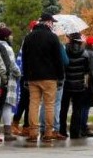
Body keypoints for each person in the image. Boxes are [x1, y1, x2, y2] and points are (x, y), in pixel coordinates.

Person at [21, 12, 66, 143]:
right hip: (50, 77)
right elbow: (58, 60)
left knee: (33, 104)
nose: (52, 25)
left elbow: (25, 59)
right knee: (49, 105)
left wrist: (25, 76)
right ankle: (48, 132)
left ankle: (33, 132)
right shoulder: (52, 38)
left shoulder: (28, 37)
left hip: (33, 77)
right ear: (47, 22)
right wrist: (60, 76)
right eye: (52, 22)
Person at [60, 33, 93, 139]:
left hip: (66, 84)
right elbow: (87, 71)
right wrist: (85, 83)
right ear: (79, 41)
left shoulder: (65, 51)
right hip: (79, 86)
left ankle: (62, 130)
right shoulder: (85, 53)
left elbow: (62, 66)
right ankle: (75, 133)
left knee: (63, 108)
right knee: (77, 109)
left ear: (71, 40)